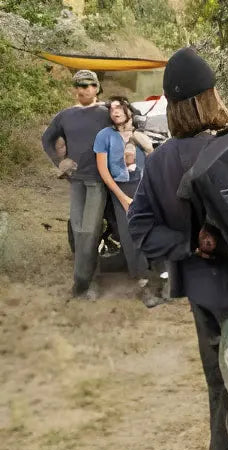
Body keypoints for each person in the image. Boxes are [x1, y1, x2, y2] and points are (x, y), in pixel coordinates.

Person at [127, 48, 228, 450]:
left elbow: (139, 228)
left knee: (220, 376)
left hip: (199, 289)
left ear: (172, 108)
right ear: (210, 98)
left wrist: (187, 246)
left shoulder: (159, 160)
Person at [42, 70, 110, 298]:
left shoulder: (107, 111)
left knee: (90, 230)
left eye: (89, 85)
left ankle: (83, 283)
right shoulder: (66, 116)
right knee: (80, 229)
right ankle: (85, 281)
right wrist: (60, 162)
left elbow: (132, 121)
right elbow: (47, 139)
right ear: (74, 89)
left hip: (100, 180)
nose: (84, 89)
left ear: (97, 88)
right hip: (77, 181)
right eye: (79, 85)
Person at [93, 96, 153, 282]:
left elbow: (154, 163)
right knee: (128, 233)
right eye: (111, 109)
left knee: (150, 230)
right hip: (120, 188)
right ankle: (141, 276)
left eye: (119, 107)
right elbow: (103, 171)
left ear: (129, 110)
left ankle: (157, 272)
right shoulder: (104, 135)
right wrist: (121, 197)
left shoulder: (142, 134)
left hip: (143, 188)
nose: (115, 111)